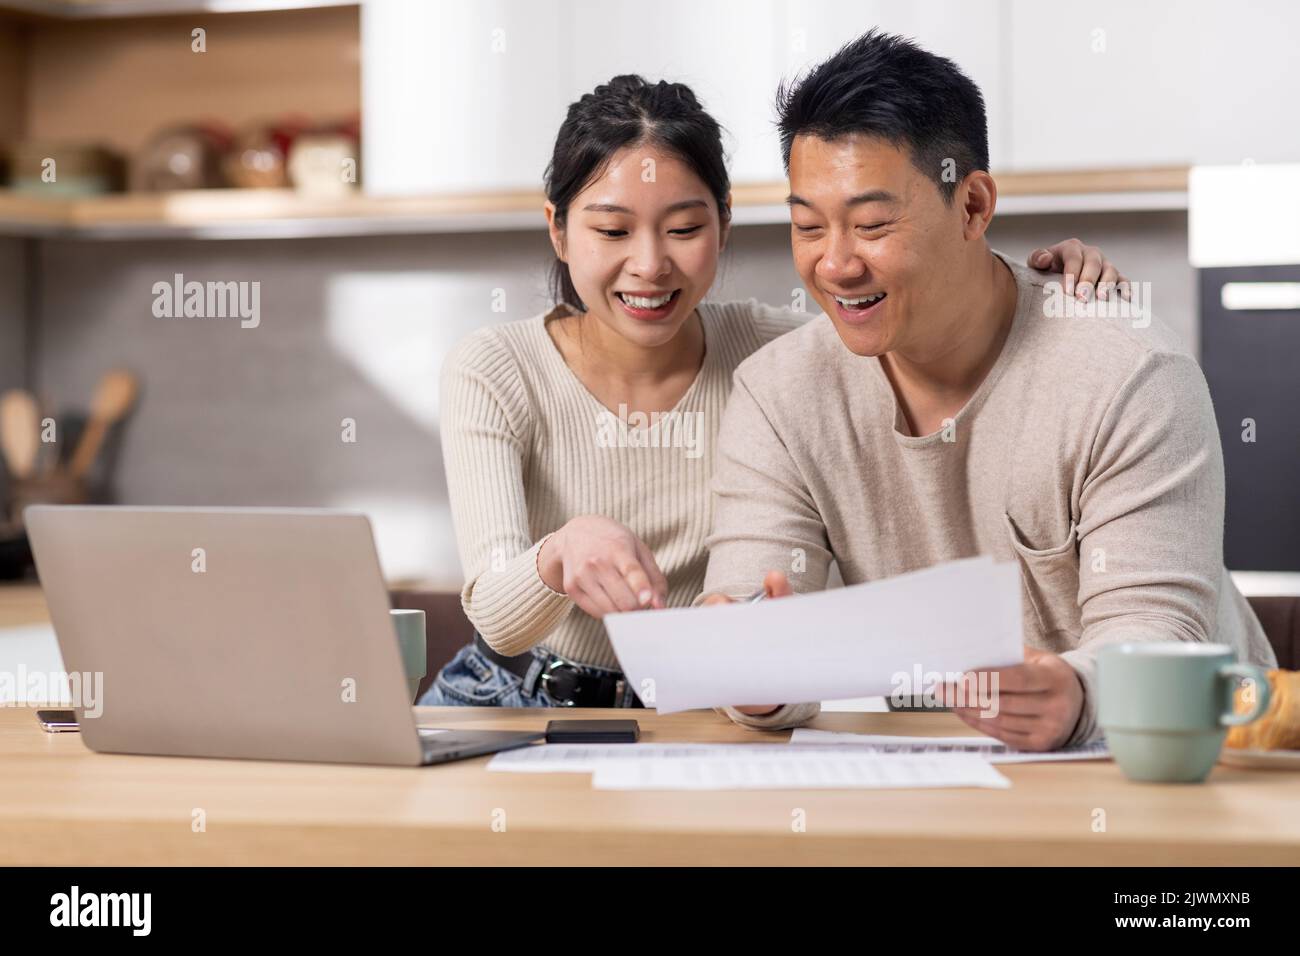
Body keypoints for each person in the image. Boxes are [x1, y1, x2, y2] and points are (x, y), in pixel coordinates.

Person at [421, 72, 1129, 717]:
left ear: (724, 225)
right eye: (611, 229)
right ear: (559, 230)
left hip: (696, 705)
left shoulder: (777, 358)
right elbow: (497, 618)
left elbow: (915, 302)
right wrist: (558, 553)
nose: (648, 264)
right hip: (513, 695)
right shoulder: (497, 369)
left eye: (684, 228)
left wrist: (1052, 287)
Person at [700, 31, 1276, 749]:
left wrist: (1077, 696)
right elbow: (753, 612)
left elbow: (1156, 636)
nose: (835, 263)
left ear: (972, 206)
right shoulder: (779, 393)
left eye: (873, 224)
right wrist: (753, 677)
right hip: (947, 771)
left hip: (1191, 769)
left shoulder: (1127, 373)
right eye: (808, 226)